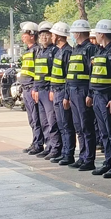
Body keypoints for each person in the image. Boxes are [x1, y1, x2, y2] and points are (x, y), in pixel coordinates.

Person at [89, 19, 111, 179]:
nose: (95, 35)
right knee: (103, 133)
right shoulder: (99, 50)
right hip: (97, 95)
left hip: (108, 96)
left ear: (102, 33)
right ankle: (108, 162)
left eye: (97, 32)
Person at [65, 19, 98, 171]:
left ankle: (89, 159)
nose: (72, 35)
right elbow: (69, 74)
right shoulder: (75, 49)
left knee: (86, 125)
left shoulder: (90, 49)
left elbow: (93, 74)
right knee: (78, 126)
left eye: (73, 33)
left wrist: (90, 93)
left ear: (78, 33)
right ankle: (82, 156)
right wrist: (66, 95)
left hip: (83, 91)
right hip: (73, 91)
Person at [33, 21, 61, 160]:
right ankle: (49, 146)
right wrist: (35, 88)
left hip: (50, 90)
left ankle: (56, 148)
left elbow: (55, 73)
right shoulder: (39, 51)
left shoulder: (55, 51)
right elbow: (37, 72)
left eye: (47, 34)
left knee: (52, 120)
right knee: (44, 121)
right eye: (42, 35)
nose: (44, 37)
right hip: (40, 90)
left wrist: (51, 89)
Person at [48, 21, 75, 165]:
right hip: (56, 91)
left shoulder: (67, 52)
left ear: (58, 36)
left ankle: (69, 154)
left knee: (66, 124)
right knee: (61, 124)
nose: (51, 36)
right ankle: (64, 152)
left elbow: (67, 78)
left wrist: (66, 96)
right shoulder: (58, 51)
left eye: (53, 34)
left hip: (63, 92)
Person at [18, 22, 44, 154]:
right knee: (31, 118)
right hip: (26, 88)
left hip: (32, 88)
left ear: (32, 35)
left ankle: (39, 143)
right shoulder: (27, 51)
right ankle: (35, 141)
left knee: (36, 117)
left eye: (25, 33)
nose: (23, 36)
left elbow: (38, 72)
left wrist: (35, 87)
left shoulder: (36, 50)